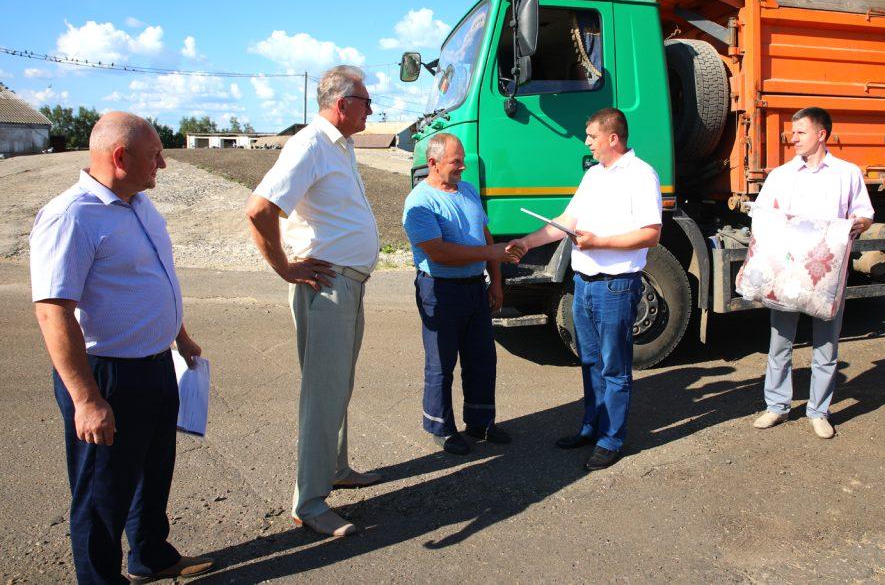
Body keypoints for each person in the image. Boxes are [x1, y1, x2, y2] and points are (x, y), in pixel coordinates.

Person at [30, 112, 214, 583]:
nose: (163, 165)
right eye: (155, 155)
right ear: (119, 157)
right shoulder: (71, 215)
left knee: (153, 473)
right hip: (106, 374)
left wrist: (179, 334)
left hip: (155, 366)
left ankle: (150, 556)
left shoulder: (138, 205)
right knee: (101, 494)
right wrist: (87, 399)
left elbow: (151, 280)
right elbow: (53, 311)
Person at [246, 65, 381, 538]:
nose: (371, 109)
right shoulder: (309, 144)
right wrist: (284, 266)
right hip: (325, 285)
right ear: (342, 104)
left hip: (348, 282)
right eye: (366, 101)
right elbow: (260, 208)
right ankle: (309, 501)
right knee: (322, 392)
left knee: (338, 384)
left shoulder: (338, 147)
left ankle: (336, 468)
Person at [508, 108, 662, 470]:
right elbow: (567, 221)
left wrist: (600, 243)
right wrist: (528, 243)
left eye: (592, 136)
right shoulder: (594, 175)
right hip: (584, 283)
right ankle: (591, 427)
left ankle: (611, 439)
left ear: (613, 138)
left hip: (616, 286)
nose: (587, 142)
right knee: (590, 360)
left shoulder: (641, 175)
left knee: (614, 367)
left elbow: (651, 234)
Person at [750, 107, 874, 439]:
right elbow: (762, 214)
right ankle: (776, 406)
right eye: (793, 132)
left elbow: (864, 213)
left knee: (826, 344)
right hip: (787, 272)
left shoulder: (847, 173)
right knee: (780, 341)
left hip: (826, 274)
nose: (793, 138)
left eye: (801, 132)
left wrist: (859, 223)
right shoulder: (781, 175)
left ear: (821, 134)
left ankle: (819, 410)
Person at [402, 133, 522, 454]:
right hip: (439, 290)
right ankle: (440, 426)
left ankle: (481, 423)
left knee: (482, 358)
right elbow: (439, 253)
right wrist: (492, 252)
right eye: (456, 162)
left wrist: (495, 281)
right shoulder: (419, 202)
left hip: (474, 287)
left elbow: (485, 235)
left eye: (462, 160)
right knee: (441, 363)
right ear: (433, 163)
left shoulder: (467, 190)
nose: (463, 167)